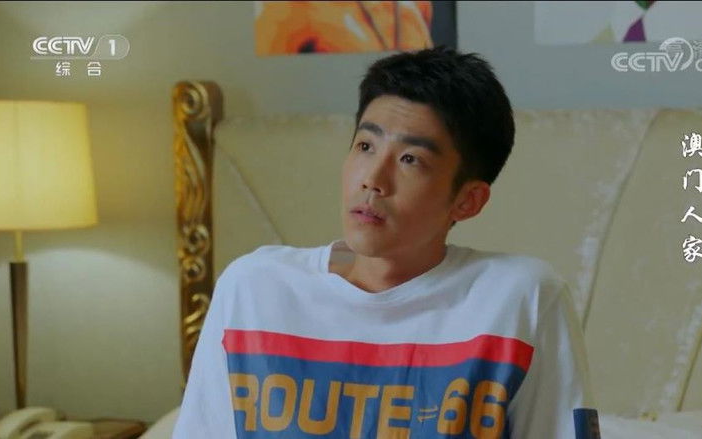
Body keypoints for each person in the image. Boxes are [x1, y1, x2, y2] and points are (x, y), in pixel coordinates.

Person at [173, 46, 601, 439]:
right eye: (365, 145)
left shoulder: (519, 300)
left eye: (410, 159)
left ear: (468, 200)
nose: (373, 180)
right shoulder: (255, 289)